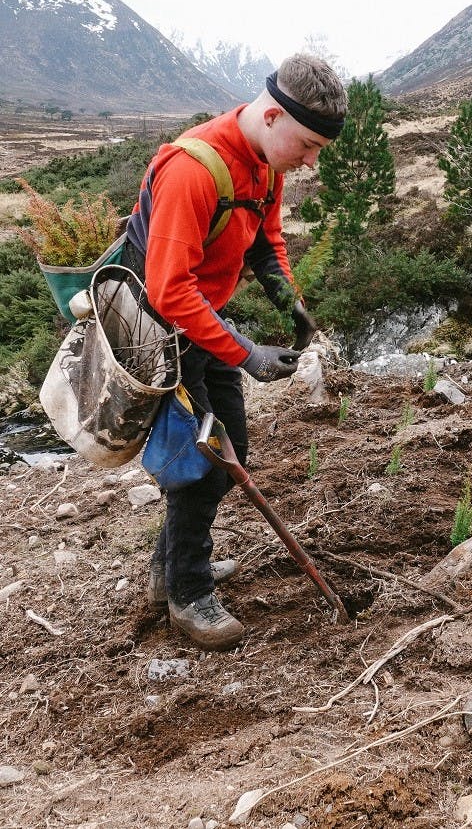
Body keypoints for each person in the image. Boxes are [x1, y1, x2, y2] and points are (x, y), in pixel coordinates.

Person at [122, 54, 348, 650]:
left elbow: (265, 240)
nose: (309, 162)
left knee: (229, 452)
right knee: (202, 461)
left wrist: (290, 302)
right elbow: (169, 291)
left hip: (205, 325)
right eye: (306, 145)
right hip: (165, 333)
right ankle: (188, 593)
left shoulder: (265, 165)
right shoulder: (194, 171)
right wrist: (246, 352)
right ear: (272, 115)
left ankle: (167, 571)